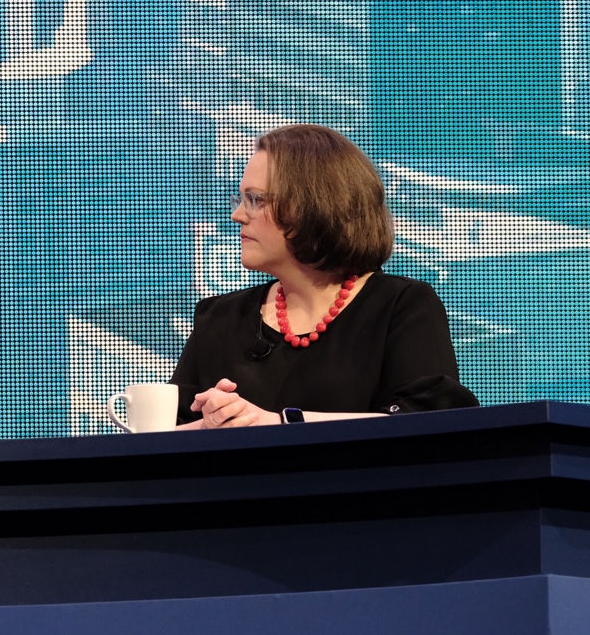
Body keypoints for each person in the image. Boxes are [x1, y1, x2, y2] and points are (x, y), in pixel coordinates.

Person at [170, 122, 478, 429]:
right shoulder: (218, 317)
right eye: (241, 199)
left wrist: (277, 424)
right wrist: (210, 426)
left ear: (313, 207)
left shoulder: (401, 306)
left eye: (256, 200)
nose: (237, 215)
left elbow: (431, 422)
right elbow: (160, 436)